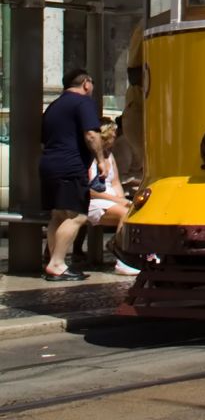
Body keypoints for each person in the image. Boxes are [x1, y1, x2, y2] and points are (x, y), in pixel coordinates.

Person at [39, 67, 106, 282]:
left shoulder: (54, 106)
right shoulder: (83, 102)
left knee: (58, 215)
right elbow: (91, 134)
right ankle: (57, 263)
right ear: (86, 83)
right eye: (92, 83)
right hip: (70, 166)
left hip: (49, 164)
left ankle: (54, 262)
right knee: (77, 216)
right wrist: (101, 160)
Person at [87, 121, 136, 276]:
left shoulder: (110, 155)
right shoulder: (90, 157)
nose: (116, 137)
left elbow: (115, 183)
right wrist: (119, 202)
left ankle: (124, 246)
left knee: (135, 211)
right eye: (113, 135)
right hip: (94, 200)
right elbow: (89, 190)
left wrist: (124, 200)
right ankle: (122, 258)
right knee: (125, 214)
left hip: (112, 199)